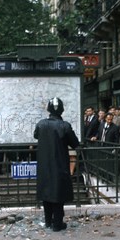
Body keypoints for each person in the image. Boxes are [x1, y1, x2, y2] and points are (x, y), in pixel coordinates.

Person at [34, 97, 79, 231]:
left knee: (46, 193)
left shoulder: (41, 124)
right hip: (59, 164)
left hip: (44, 165)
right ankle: (57, 224)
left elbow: (36, 136)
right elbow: (75, 143)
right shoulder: (65, 125)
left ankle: (48, 221)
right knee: (58, 194)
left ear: (48, 109)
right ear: (62, 109)